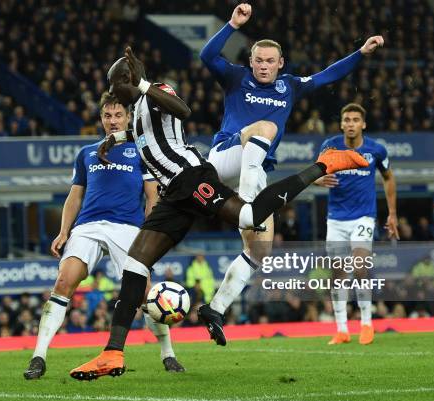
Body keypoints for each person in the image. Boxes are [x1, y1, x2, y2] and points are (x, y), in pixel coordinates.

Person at [68, 46, 368, 380]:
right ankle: (112, 353)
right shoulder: (136, 109)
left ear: (130, 78)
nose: (113, 92)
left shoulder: (155, 92)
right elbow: (146, 137)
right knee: (135, 263)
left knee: (250, 217)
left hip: (192, 177)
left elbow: (181, 109)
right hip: (173, 196)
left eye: (117, 83)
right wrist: (116, 138)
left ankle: (324, 163)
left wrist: (142, 85)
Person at [199, 3, 385, 345]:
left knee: (260, 250)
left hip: (254, 172)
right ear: (251, 62)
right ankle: (248, 207)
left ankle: (215, 309)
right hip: (226, 158)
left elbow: (328, 75)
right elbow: (207, 56)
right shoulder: (236, 77)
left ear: (280, 63)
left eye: (270, 61)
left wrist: (360, 52)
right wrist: (231, 25)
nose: (264, 66)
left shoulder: (289, 86)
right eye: (259, 60)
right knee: (267, 127)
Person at [23, 91, 186, 379]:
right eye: (107, 116)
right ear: (101, 119)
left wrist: (153, 235)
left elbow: (152, 198)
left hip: (127, 227)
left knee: (146, 292)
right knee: (63, 281)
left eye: (118, 115)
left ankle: (168, 354)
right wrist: (63, 231)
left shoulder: (141, 151)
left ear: (128, 118)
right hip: (88, 226)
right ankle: (38, 357)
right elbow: (74, 197)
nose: (113, 121)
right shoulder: (86, 153)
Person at [315, 103, 399, 345]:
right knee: (338, 274)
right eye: (347, 120)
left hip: (364, 216)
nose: (351, 124)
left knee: (360, 266)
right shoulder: (330, 146)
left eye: (355, 120)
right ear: (341, 124)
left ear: (363, 124)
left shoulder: (376, 150)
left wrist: (392, 213)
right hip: (336, 219)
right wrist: (319, 181)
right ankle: (342, 330)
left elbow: (389, 177)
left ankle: (366, 324)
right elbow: (315, 174)